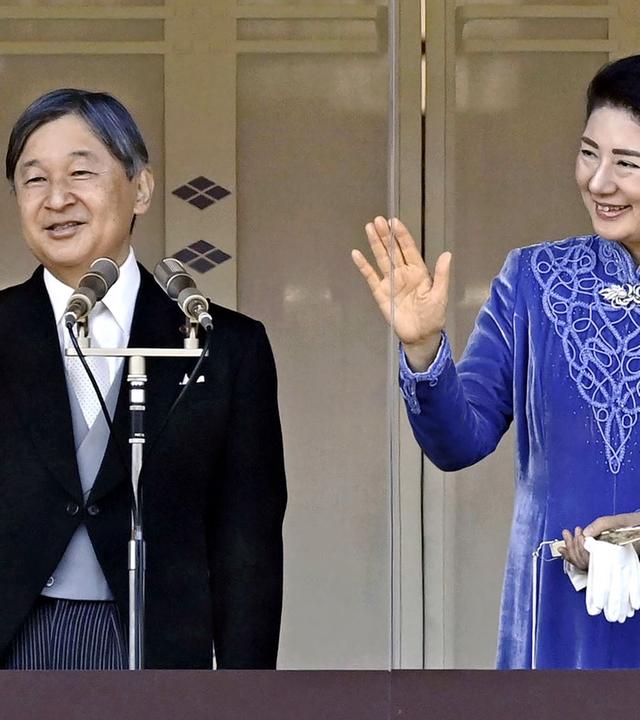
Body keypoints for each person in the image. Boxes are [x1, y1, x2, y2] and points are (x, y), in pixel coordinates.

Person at [353, 54, 640, 669]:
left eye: (627, 164)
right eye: (589, 153)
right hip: (560, 620)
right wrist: (423, 348)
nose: (599, 182)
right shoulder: (534, 279)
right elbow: (460, 439)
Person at [0, 89, 287, 670]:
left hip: (159, 649)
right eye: (34, 180)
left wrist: (245, 695)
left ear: (142, 188)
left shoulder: (223, 347)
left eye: (82, 172)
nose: (57, 199)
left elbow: (247, 545)